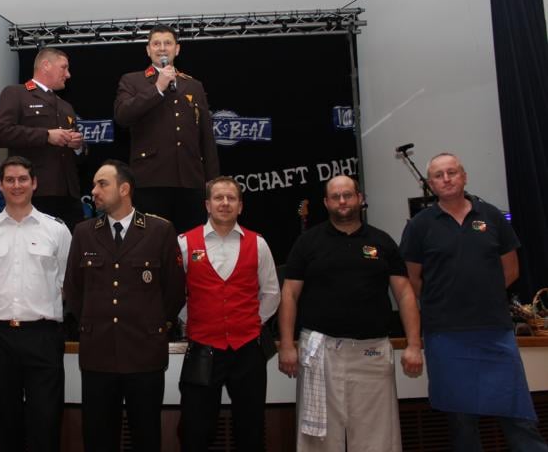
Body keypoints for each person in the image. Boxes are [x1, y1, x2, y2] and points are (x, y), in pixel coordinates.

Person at [400, 153, 548, 452]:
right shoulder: (419, 225)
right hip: (446, 336)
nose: (446, 179)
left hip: (494, 331)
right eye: (439, 175)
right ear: (430, 184)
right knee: (462, 423)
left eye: (452, 172)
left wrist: (482, 295)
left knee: (519, 418)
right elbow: (411, 279)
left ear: (464, 176)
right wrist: (443, 300)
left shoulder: (491, 216)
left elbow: (511, 270)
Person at [279, 175, 423, 452]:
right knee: (318, 440)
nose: (342, 201)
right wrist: (286, 345)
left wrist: (414, 345)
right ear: (326, 202)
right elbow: (289, 294)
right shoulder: (307, 242)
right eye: (336, 197)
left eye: (348, 195)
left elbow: (405, 294)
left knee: (377, 439)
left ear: (360, 198)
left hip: (372, 352)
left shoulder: (382, 241)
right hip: (320, 352)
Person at [64, 159, 186, 452]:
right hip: (98, 354)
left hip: (144, 354)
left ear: (124, 189)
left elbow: (174, 291)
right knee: (98, 438)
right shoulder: (83, 232)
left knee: (146, 436)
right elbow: (74, 290)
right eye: (93, 185)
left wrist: (155, 325)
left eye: (102, 184)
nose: (94, 191)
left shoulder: (159, 230)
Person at [0, 156, 71, 452]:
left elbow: (66, 284)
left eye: (23, 179)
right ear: (0, 186)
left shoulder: (57, 230)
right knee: (5, 422)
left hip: (43, 337)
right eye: (9, 180)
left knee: (46, 423)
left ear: (34, 183)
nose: (16, 185)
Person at [177, 176, 281, 452]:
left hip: (247, 350)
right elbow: (176, 296)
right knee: (194, 430)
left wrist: (247, 322)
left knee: (251, 429)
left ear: (240, 206)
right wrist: (196, 320)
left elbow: (271, 293)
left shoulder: (258, 244)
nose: (225, 203)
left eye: (231, 198)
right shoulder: (184, 243)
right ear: (207, 205)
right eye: (218, 198)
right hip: (202, 349)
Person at [113, 25, 219, 233]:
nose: (162, 48)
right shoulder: (133, 81)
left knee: (190, 242)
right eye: (156, 44)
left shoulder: (193, 85)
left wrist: (212, 180)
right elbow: (122, 116)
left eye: (168, 43)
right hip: (151, 179)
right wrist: (157, 88)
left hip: (190, 179)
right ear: (148, 50)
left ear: (177, 49)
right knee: (151, 242)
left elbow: (206, 136)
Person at [0, 47, 83, 230]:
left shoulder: (66, 106)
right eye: (64, 67)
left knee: (71, 245)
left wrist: (78, 146)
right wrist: (46, 136)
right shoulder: (16, 93)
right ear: (46, 65)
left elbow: (80, 153)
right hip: (35, 191)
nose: (68, 74)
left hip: (69, 193)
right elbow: (2, 133)